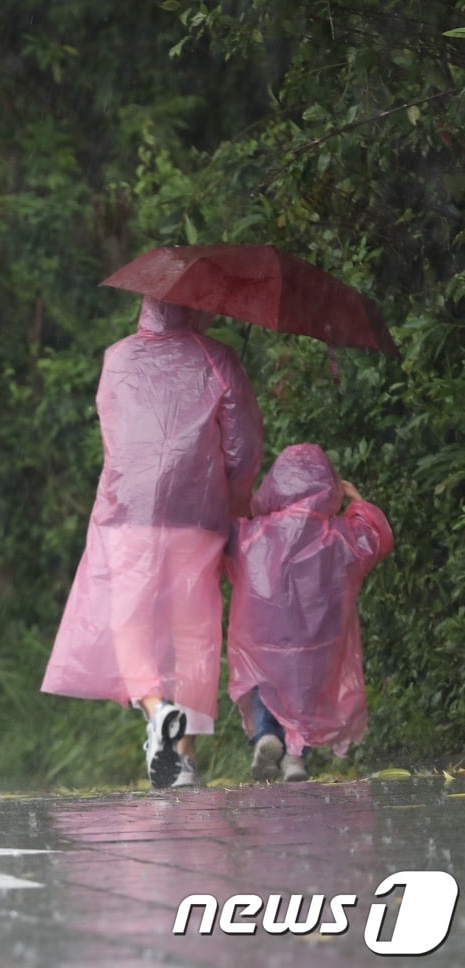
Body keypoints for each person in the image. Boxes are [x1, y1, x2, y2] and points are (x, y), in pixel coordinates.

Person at [41, 295, 263, 788]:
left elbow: (114, 433)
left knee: (131, 622)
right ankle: (182, 758)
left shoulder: (117, 358)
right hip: (196, 513)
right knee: (193, 630)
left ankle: (156, 708)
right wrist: (232, 498)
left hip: (128, 510)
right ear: (196, 305)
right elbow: (243, 445)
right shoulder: (217, 358)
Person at [223, 443, 393, 782]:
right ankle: (295, 759)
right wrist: (356, 501)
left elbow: (221, 537)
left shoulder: (253, 534)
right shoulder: (338, 535)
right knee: (307, 694)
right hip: (318, 640)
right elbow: (373, 538)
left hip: (263, 638)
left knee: (265, 684)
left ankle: (266, 736)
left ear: (274, 484)